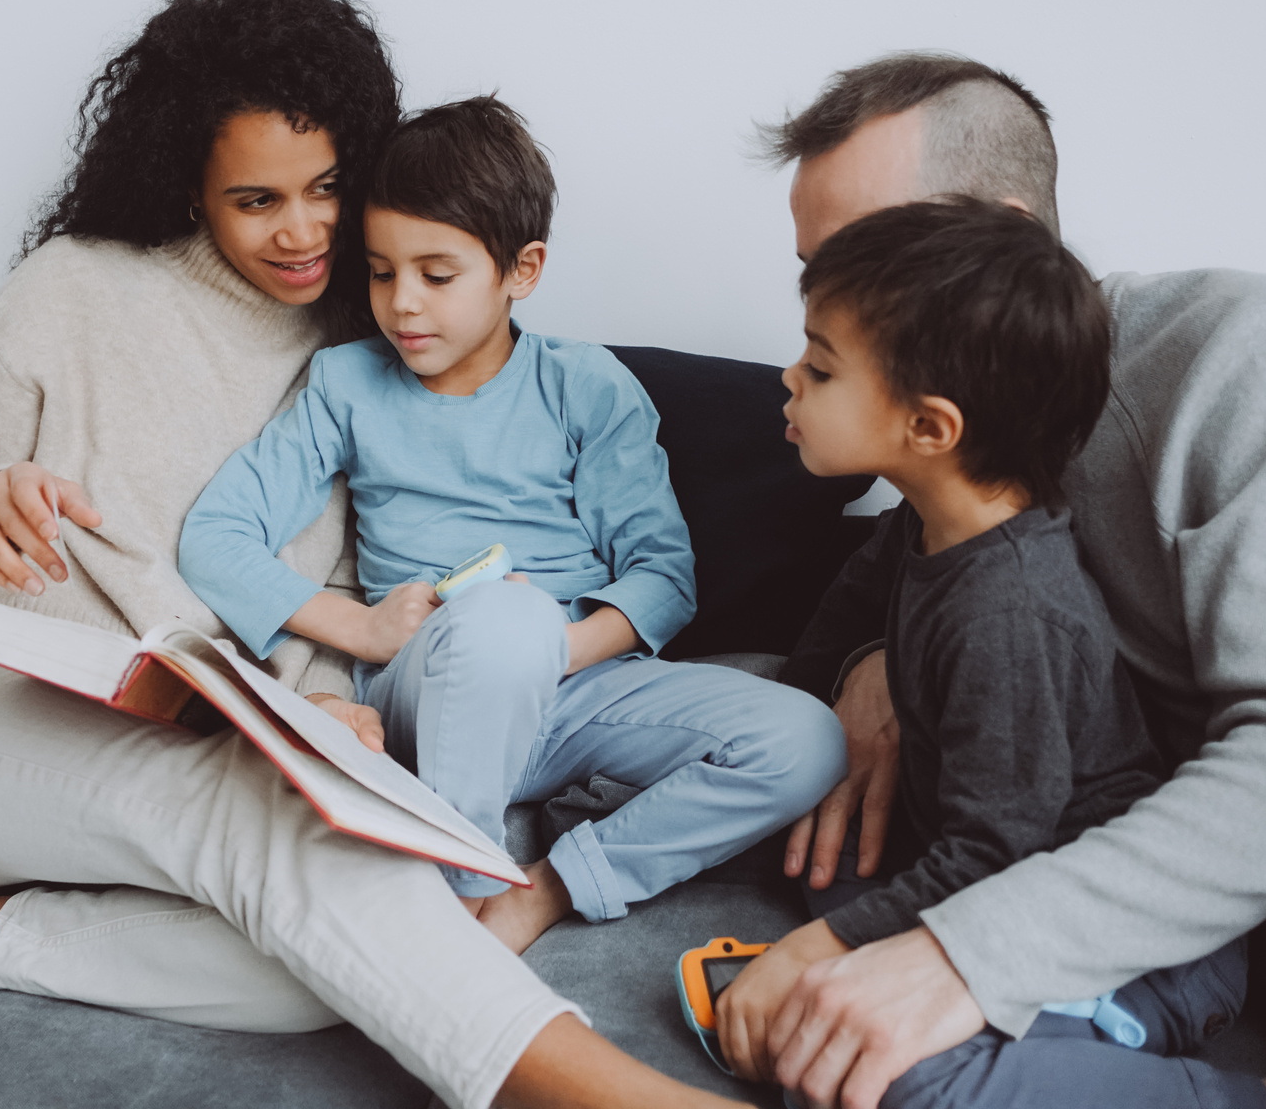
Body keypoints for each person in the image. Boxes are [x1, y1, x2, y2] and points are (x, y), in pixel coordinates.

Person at [0, 0, 746, 1109]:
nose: (303, 232)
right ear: (192, 188)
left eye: (328, 187)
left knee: (329, 962)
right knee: (274, 852)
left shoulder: (378, 345)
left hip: (191, 732)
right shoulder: (74, 290)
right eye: (256, 201)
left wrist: (330, 699)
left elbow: (348, 590)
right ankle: (603, 1090)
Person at [751, 52, 1266, 1109]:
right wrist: (881, 662)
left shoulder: (1251, 348)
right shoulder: (960, 453)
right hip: (1129, 889)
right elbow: (843, 618)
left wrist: (960, 954)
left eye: (867, 254)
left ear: (1001, 232)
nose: (829, 309)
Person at [178, 96, 847, 951]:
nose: (403, 306)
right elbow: (216, 538)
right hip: (427, 685)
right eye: (382, 272)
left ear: (520, 270)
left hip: (574, 685)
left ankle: (548, 890)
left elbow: (661, 577)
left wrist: (549, 652)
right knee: (501, 622)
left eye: (437, 274)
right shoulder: (346, 384)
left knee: (807, 740)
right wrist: (362, 629)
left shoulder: (586, 387)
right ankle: (455, 907)